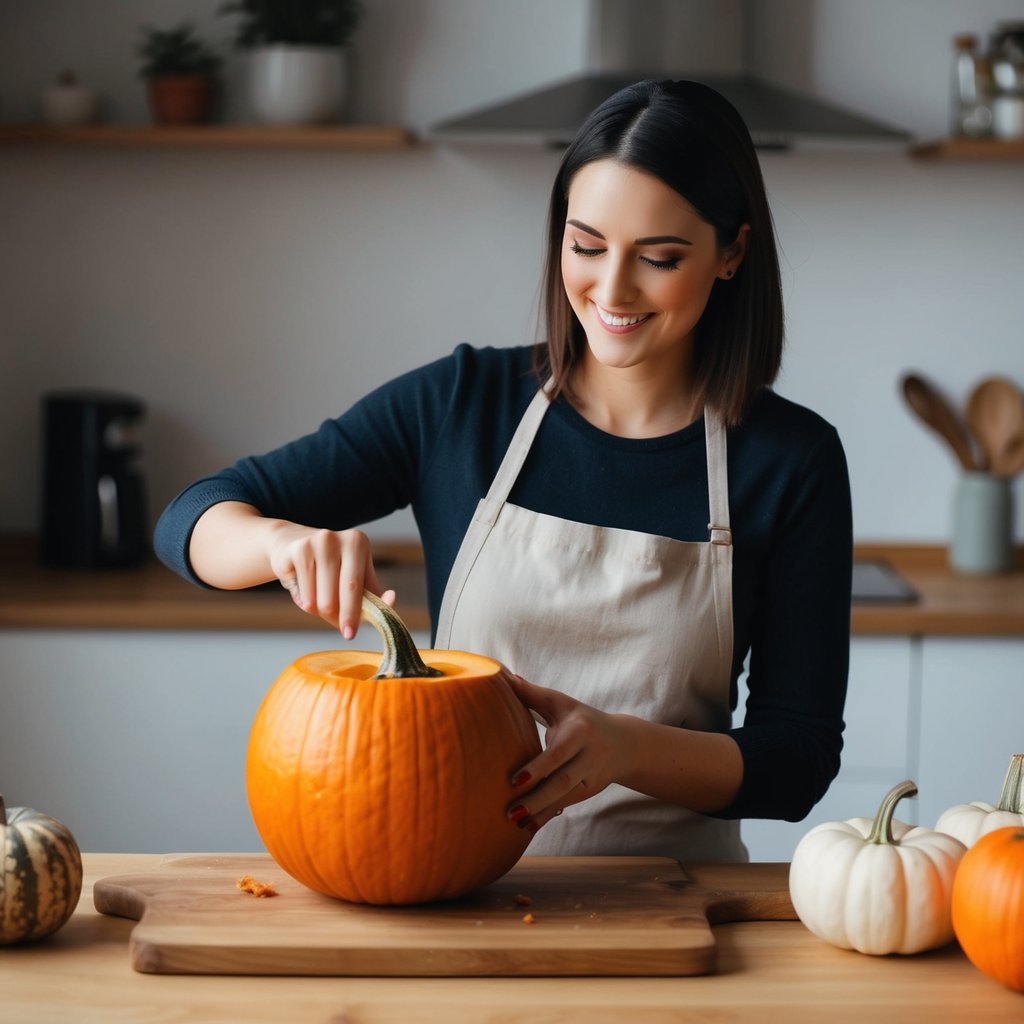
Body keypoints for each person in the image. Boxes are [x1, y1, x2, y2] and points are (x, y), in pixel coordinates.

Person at [155, 79, 852, 862]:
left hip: (677, 911)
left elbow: (797, 762)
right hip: (459, 893)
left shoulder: (792, 460)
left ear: (732, 254)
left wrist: (625, 749)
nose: (612, 290)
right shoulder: (461, 405)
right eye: (585, 246)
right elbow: (191, 516)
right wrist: (280, 543)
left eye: (658, 258)